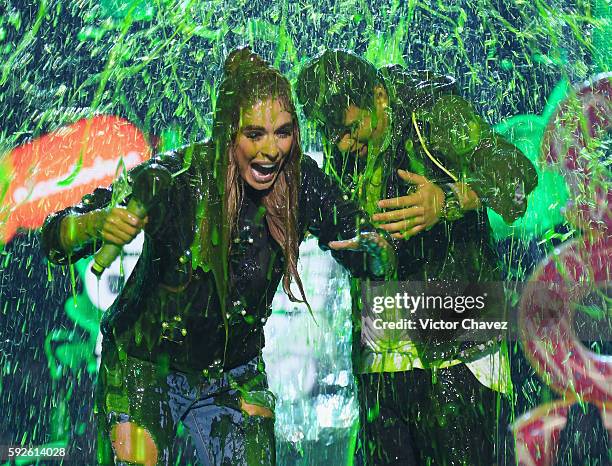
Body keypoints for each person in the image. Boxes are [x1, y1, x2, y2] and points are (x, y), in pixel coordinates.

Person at [42, 48, 394, 466]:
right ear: (229, 133)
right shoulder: (176, 179)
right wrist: (91, 225)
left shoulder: (302, 184)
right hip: (144, 362)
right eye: (254, 134)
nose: (271, 150)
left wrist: (374, 248)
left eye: (282, 132)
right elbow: (56, 236)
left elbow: (362, 240)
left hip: (235, 371)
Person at [296, 49, 538, 465]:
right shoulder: (341, 141)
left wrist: (446, 200)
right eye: (331, 133)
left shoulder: (433, 111)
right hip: (384, 344)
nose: (342, 144)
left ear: (380, 97)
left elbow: (518, 178)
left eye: (352, 129)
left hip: (459, 340)